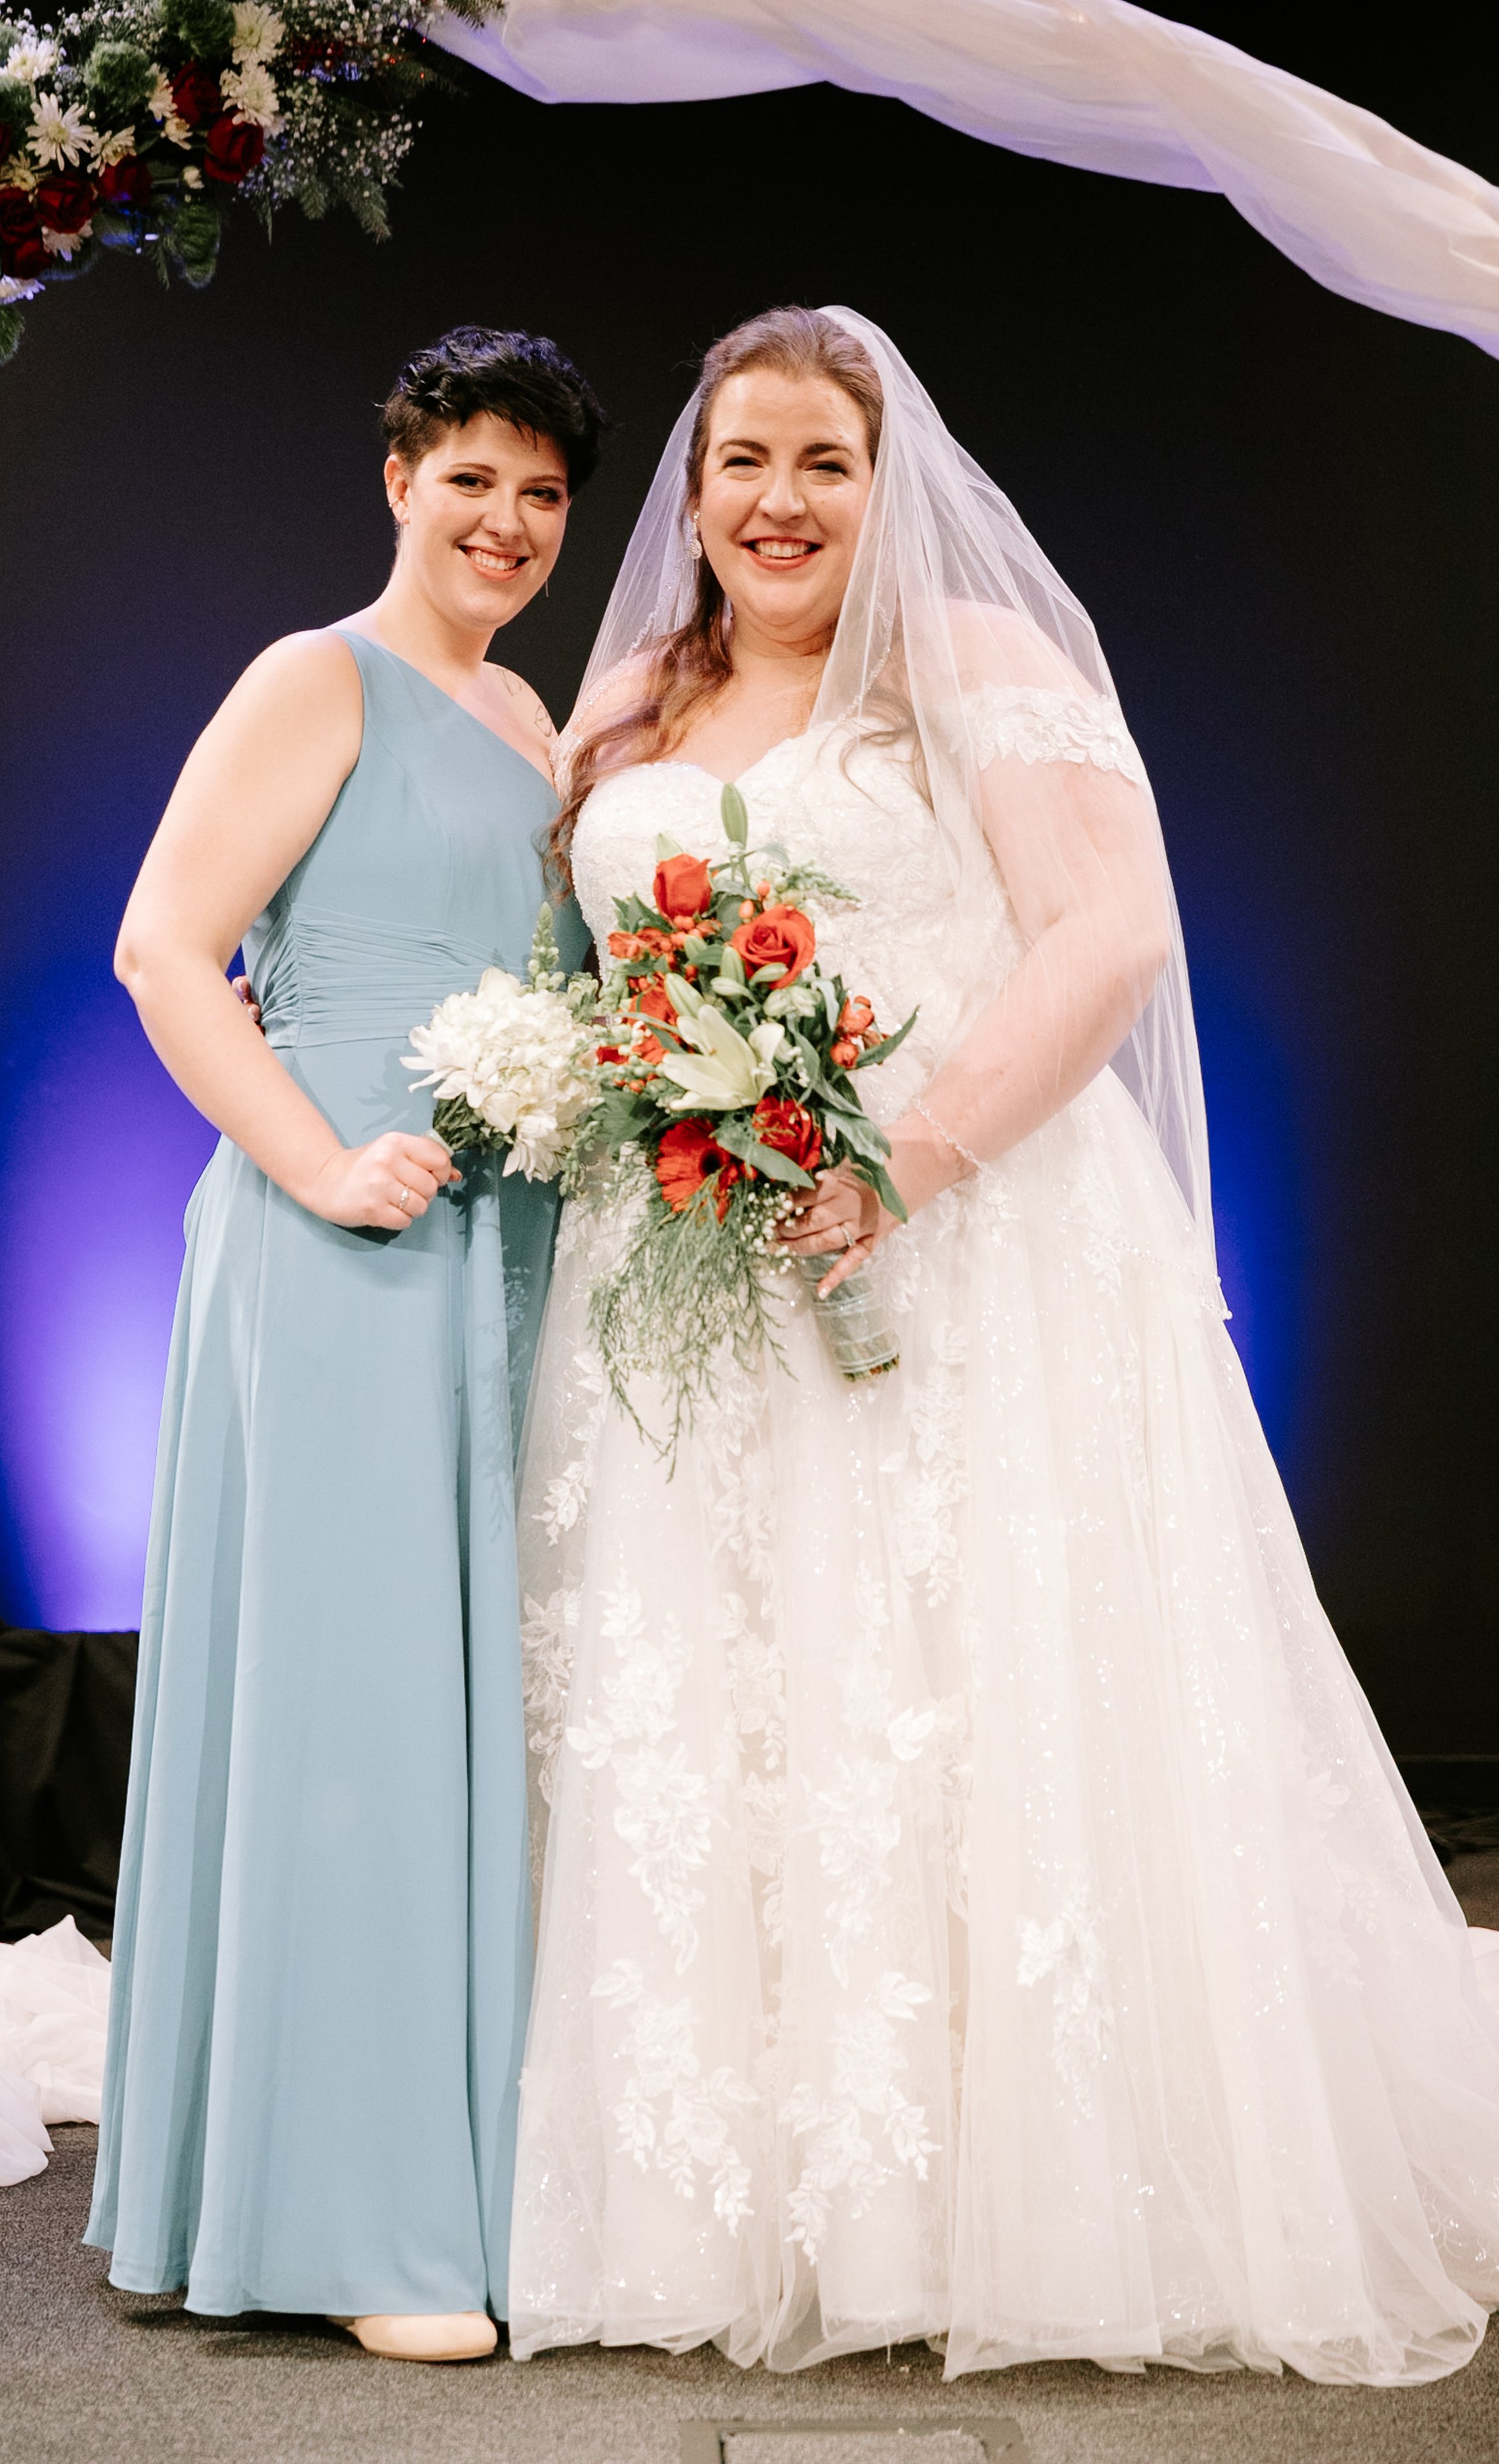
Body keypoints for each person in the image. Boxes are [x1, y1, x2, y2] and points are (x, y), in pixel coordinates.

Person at [508, 306, 1499, 2384]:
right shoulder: (629, 701)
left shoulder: (968, 665)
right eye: (742, 461)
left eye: (824, 464)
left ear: (889, 491)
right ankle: (743, 2191)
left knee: (952, 1686)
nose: (778, 502)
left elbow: (1110, 932)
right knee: (732, 1700)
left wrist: (912, 1155)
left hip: (959, 1249)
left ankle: (1015, 2187)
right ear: (693, 489)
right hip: (684, 1277)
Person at [86, 326, 602, 2361]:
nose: (505, 523)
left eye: (541, 494)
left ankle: (454, 2182)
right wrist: (315, 1164)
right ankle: (352, 2228)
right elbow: (161, 947)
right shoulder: (317, 678)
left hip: (492, 1236)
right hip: (342, 1239)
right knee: (356, 1721)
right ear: (399, 477)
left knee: (460, 1719)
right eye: (470, 477)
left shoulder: (530, 714)